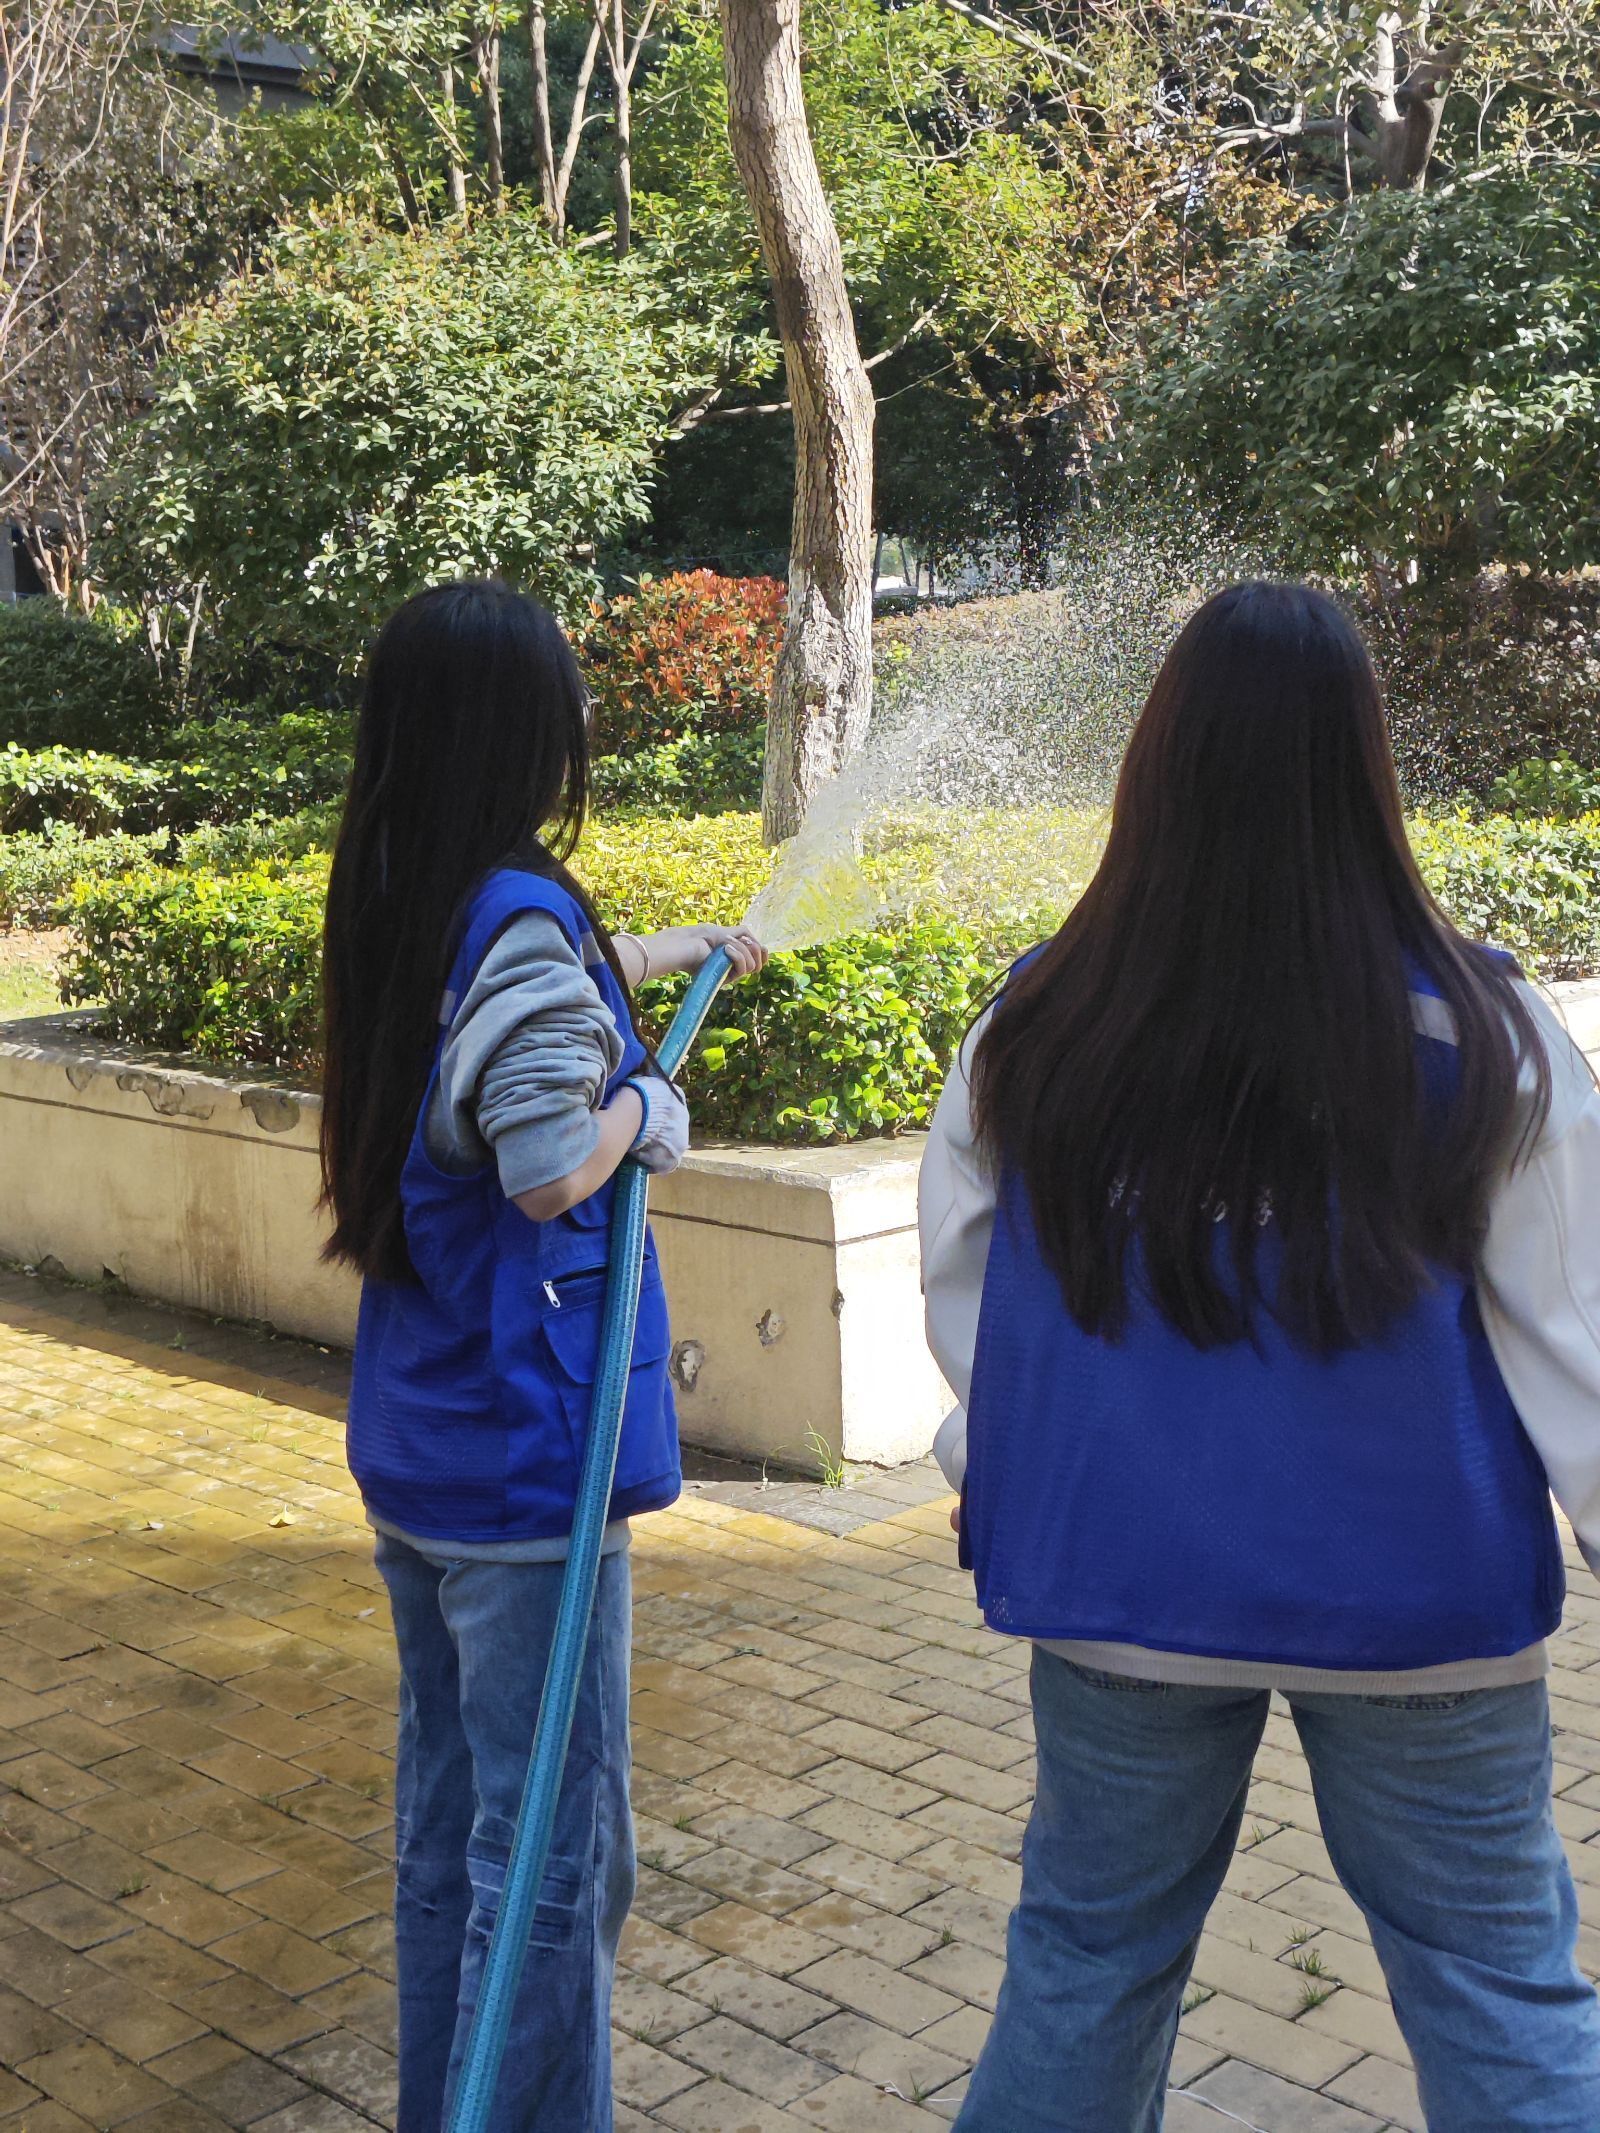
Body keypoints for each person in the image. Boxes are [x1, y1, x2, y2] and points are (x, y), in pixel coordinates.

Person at [919, 580, 1600, 2133]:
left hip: (1123, 1591)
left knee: (1086, 1962)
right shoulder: (1487, 1037)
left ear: (1158, 764)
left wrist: (988, 1463)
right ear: (1366, 771)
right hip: (1424, 1606)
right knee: (1497, 1985)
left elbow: (970, 1287)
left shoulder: (1042, 1025)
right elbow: (1576, 1329)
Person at [319, 579, 765, 2132]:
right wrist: (650, 1107)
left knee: (453, 1842)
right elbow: (547, 1166)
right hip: (521, 1486)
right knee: (554, 1868)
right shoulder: (511, 923)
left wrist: (679, 950)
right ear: (516, 734)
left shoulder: (402, 891)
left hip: (423, 1452)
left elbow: (527, 995)